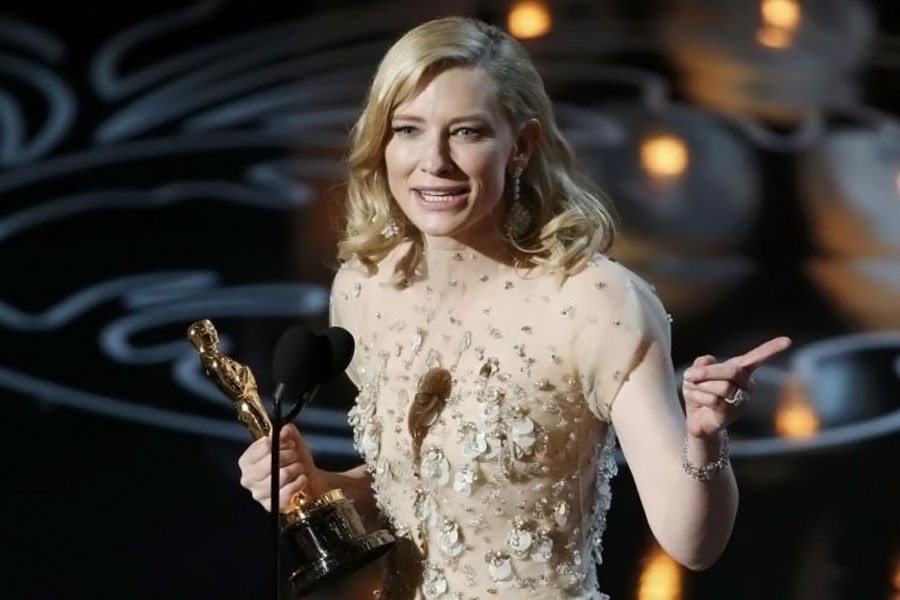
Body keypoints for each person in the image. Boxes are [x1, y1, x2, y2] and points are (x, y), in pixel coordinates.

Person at [237, 15, 791, 600]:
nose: (434, 161)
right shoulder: (366, 288)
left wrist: (704, 441)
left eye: (467, 132)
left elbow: (692, 545)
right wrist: (318, 486)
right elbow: (419, 489)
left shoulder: (594, 302)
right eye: (408, 129)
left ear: (520, 146)